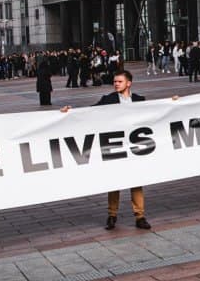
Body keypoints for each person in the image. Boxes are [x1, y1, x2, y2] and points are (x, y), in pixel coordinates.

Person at [61, 70, 151, 230]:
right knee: (114, 181)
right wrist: (70, 112)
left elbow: (156, 113)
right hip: (115, 146)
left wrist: (173, 103)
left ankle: (140, 216)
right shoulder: (108, 100)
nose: (116, 84)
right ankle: (112, 215)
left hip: (133, 147)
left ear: (128, 83)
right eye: (115, 81)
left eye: (119, 81)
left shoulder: (139, 100)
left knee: (136, 181)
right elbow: (90, 111)